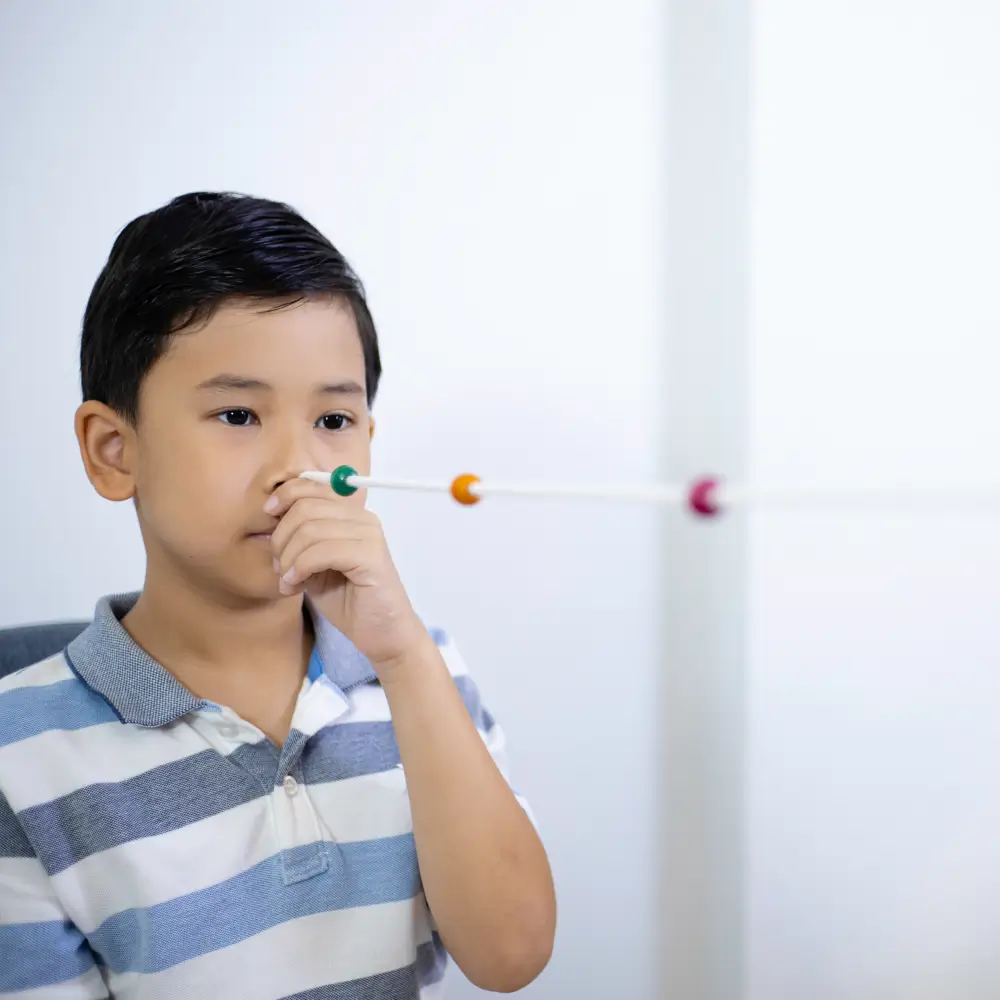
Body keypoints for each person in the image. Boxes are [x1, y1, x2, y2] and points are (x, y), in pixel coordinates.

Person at [0, 192, 556, 998]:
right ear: (114, 450)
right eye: (238, 414)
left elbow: (512, 956)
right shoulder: (20, 757)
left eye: (333, 421)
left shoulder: (423, 674)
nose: (298, 469)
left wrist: (404, 658)